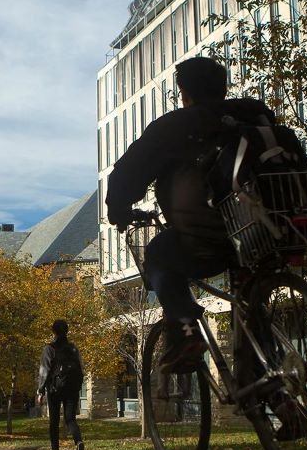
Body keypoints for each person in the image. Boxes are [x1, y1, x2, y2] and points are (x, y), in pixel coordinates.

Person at [105, 56, 273, 371]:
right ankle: (268, 383)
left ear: (185, 91)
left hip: (210, 238)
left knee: (159, 253)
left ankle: (185, 331)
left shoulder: (176, 126)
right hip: (267, 230)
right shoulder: (254, 115)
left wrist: (119, 210)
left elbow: (127, 173)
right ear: (222, 88)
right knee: (251, 298)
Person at [37, 319, 86, 450]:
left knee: (54, 420)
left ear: (54, 331)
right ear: (67, 331)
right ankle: (78, 441)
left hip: (54, 389)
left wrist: (40, 391)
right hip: (72, 388)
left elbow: (44, 371)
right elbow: (81, 369)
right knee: (70, 418)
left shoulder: (49, 348)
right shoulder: (74, 348)